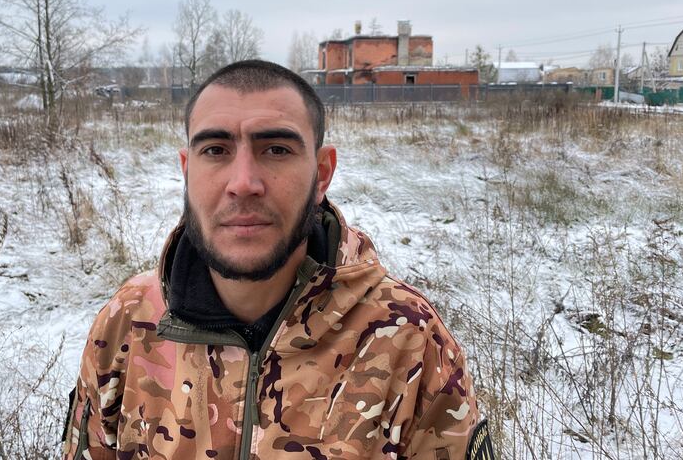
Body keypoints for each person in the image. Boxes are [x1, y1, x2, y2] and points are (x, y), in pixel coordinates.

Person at [62, 60, 494, 460]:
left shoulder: (409, 340)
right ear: (186, 170)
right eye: (215, 150)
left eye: (276, 150)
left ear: (322, 173)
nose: (243, 183)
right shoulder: (130, 320)